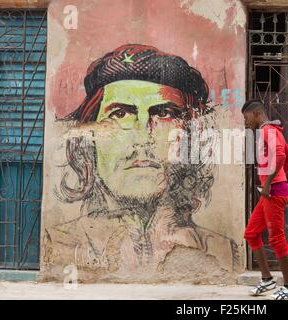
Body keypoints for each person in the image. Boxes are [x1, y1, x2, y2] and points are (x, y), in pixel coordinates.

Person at [42, 44, 240, 280]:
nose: (142, 137)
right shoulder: (61, 243)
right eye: (120, 114)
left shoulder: (220, 251)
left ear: (189, 138)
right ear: (89, 139)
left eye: (164, 114)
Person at [242, 99, 288, 300]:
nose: (246, 122)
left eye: (246, 117)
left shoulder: (267, 131)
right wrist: (278, 179)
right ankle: (267, 279)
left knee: (276, 238)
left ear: (256, 113)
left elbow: (282, 156)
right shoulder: (273, 130)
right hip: (273, 190)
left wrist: (269, 184)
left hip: (273, 192)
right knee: (251, 233)